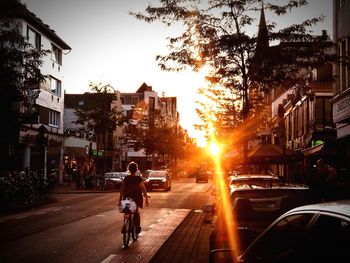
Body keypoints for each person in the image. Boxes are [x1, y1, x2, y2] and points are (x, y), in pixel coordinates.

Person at [119, 161, 149, 234]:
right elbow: (143, 189)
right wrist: (146, 199)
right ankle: (137, 228)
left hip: (126, 198)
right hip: (136, 199)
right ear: (136, 169)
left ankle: (125, 224)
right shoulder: (138, 179)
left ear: (129, 169)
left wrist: (120, 200)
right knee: (136, 213)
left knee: (127, 212)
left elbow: (122, 190)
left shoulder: (126, 179)